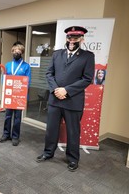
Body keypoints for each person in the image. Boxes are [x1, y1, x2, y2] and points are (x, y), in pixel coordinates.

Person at [36, 26, 95, 171]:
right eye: (69, 37)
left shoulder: (88, 56)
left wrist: (66, 90)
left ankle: (73, 159)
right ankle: (48, 153)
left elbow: (87, 79)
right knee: (51, 129)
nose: (72, 40)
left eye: (75, 37)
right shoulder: (57, 54)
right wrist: (56, 89)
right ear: (66, 38)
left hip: (73, 101)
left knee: (73, 131)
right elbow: (49, 74)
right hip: (55, 100)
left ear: (82, 39)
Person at [0, 41, 31, 146]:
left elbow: (28, 82)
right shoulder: (8, 65)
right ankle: (6, 134)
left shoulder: (26, 66)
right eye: (14, 50)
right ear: (12, 51)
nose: (16, 52)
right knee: (7, 116)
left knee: (17, 117)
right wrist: (4, 93)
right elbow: (4, 79)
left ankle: (15, 136)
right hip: (9, 94)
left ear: (21, 52)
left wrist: (25, 97)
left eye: (18, 50)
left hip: (19, 95)